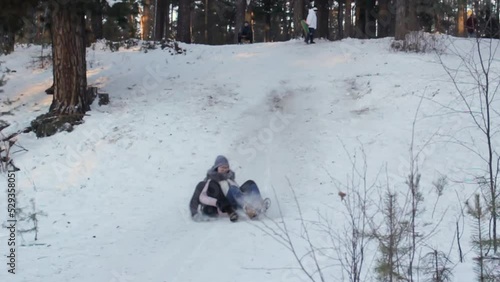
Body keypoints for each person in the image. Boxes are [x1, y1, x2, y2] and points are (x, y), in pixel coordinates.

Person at [189, 155, 269, 221]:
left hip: (236, 198)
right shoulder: (210, 180)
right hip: (224, 204)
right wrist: (194, 214)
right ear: (216, 167)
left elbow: (237, 189)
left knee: (250, 183)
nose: (224, 169)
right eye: (222, 167)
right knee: (233, 189)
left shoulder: (230, 178)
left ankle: (259, 204)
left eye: (226, 167)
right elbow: (197, 197)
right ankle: (248, 209)